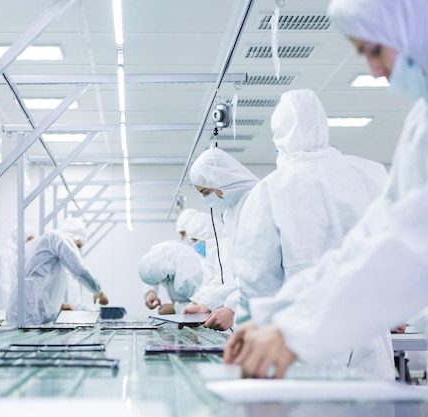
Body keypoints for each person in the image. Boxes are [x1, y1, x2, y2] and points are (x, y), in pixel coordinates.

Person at [224, 0, 428, 379]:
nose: (374, 68)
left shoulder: (272, 190)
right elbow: (368, 243)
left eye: (374, 49)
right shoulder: (415, 129)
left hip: (327, 347)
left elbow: (407, 247)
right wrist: (276, 320)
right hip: (363, 344)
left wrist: (288, 329)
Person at [232, 88, 393, 379]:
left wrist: (248, 337)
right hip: (372, 351)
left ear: (278, 136)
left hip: (301, 353)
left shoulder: (271, 190)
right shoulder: (373, 175)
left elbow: (256, 286)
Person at [181, 147, 258, 330]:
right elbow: (238, 278)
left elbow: (260, 272)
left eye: (206, 192)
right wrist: (207, 304)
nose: (205, 199)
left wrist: (232, 307)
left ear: (221, 181)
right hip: (248, 309)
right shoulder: (231, 212)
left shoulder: (255, 203)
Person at [6, 216, 108, 327]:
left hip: (22, 310)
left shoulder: (43, 242)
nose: (76, 250)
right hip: (30, 312)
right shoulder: (60, 238)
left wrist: (59, 305)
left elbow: (41, 280)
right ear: (74, 236)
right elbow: (80, 270)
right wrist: (98, 291)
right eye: (78, 245)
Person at [138, 240, 203, 315]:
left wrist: (175, 308)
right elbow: (149, 272)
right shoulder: (158, 254)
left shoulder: (189, 275)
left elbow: (203, 306)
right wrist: (150, 292)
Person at [0, 224, 36, 321]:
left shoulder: (27, 255)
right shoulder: (5, 255)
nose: (32, 241)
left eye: (33, 238)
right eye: (29, 238)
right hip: (4, 310)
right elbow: (4, 287)